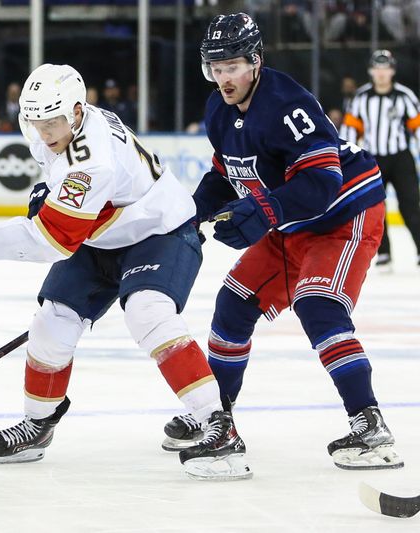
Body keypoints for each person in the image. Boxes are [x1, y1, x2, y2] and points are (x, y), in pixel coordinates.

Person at [0, 63, 252, 481]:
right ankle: (37, 424)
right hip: (100, 236)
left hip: (160, 232)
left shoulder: (93, 161)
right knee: (51, 323)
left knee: (148, 313)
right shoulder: (52, 126)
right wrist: (46, 193)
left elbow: (51, 241)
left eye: (52, 122)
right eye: (35, 122)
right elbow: (62, 184)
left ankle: (219, 425)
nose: (44, 132)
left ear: (75, 111)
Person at [160, 13, 402, 471]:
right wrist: (193, 216)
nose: (223, 77)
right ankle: (218, 418)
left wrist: (264, 210)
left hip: (344, 213)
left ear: (255, 62)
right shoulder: (219, 109)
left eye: (232, 65)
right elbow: (223, 174)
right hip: (293, 222)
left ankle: (370, 426)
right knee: (233, 303)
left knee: (317, 304)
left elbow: (323, 182)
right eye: (215, 66)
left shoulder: (286, 103)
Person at [340, 50, 420, 269]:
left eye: (385, 68)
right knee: (375, 207)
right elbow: (349, 130)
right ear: (371, 71)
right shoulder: (361, 98)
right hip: (373, 160)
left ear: (392, 70)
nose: (382, 73)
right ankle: (384, 253)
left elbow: (417, 127)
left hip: (401, 158)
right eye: (378, 68)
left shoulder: (405, 96)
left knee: (411, 206)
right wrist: (348, 159)